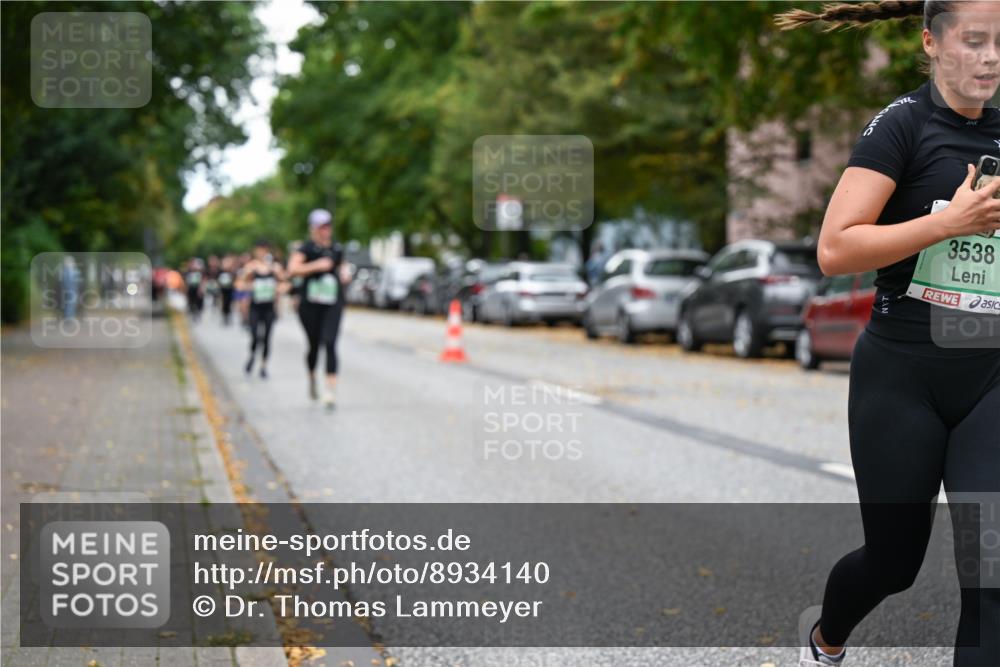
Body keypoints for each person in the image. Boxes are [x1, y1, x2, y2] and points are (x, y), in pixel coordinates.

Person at [777, 2, 1000, 666]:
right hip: (902, 373)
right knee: (893, 561)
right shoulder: (902, 125)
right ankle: (826, 640)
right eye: (975, 41)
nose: (991, 57)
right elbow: (835, 249)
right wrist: (948, 223)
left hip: (990, 373)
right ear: (931, 41)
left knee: (991, 570)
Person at [288, 208, 352, 409]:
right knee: (314, 345)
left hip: (332, 303)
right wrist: (316, 266)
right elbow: (293, 269)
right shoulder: (306, 249)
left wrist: (345, 273)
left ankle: (330, 392)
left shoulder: (336, 248)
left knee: (330, 342)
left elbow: (343, 266)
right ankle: (312, 378)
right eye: (321, 227)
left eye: (328, 226)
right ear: (313, 229)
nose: (325, 230)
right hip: (310, 305)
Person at [237, 241, 285, 379]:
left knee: (267, 337)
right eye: (259, 250)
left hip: (269, 307)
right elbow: (239, 284)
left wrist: (278, 289)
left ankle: (264, 366)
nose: (261, 253)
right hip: (255, 307)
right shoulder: (250, 267)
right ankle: (252, 355)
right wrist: (249, 286)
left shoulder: (275, 268)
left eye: (263, 250)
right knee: (254, 335)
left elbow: (285, 282)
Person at [184, 258, 205, 322]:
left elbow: (201, 282)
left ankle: (198, 313)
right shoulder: (188, 273)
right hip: (191, 289)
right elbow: (186, 283)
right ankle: (193, 313)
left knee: (198, 301)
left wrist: (200, 289)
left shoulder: (199, 273)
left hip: (197, 289)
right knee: (192, 302)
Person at [217, 255, 236, 326]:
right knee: (223, 303)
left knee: (229, 303)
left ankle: (228, 316)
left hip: (230, 290)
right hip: (222, 291)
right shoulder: (220, 272)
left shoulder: (232, 272)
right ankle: (224, 316)